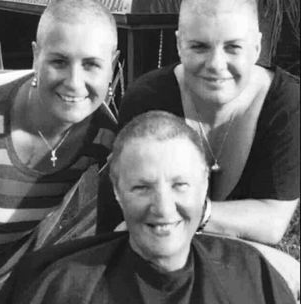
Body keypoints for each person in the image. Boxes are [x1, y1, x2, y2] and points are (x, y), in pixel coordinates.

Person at [0, 111, 296, 304]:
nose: (164, 208)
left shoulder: (251, 278)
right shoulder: (60, 286)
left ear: (204, 186)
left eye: (180, 185)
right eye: (142, 187)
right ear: (117, 191)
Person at [102, 0, 300, 245]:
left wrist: (189, 212)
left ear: (256, 47)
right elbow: (121, 222)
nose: (216, 64)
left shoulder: (286, 106)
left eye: (233, 47)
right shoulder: (146, 99)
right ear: (179, 45)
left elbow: (271, 224)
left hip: (246, 264)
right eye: (199, 47)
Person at [0, 0, 118, 289]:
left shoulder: (107, 141)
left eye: (91, 64)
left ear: (112, 65)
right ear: (36, 55)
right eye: (59, 62)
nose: (74, 83)